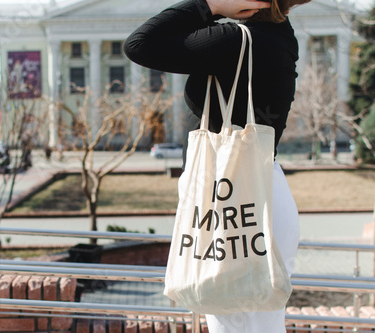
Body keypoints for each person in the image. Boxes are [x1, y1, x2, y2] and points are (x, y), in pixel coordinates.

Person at [124, 0, 310, 331]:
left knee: (230, 320)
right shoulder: (279, 35)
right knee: (261, 324)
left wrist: (211, 4)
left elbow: (139, 44)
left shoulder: (232, 41)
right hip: (264, 190)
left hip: (227, 198)